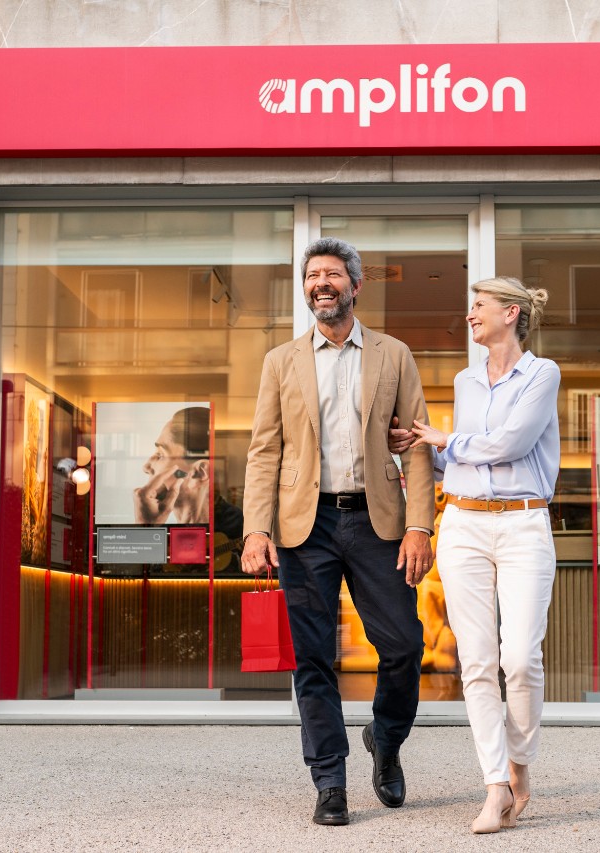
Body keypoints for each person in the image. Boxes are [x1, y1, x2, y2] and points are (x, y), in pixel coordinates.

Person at [240, 237, 436, 827]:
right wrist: (256, 529)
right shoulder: (281, 361)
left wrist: (419, 525)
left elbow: (417, 445)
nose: (321, 284)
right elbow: (264, 450)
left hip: (378, 520)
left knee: (403, 645)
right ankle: (329, 779)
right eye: (312, 276)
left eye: (331, 274)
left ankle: (386, 738)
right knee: (314, 657)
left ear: (355, 285)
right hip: (306, 527)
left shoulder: (393, 354)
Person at [397, 276, 560, 834]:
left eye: (479, 306)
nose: (470, 315)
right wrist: (420, 451)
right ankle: (495, 786)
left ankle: (520, 765)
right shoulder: (465, 382)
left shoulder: (542, 374)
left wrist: (445, 441)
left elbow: (512, 443)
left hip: (523, 523)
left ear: (510, 313)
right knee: (476, 661)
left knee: (521, 658)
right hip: (463, 524)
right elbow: (464, 459)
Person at [135, 406, 211, 525]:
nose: (146, 467)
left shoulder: (230, 534)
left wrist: (145, 528)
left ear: (200, 472)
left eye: (160, 455)